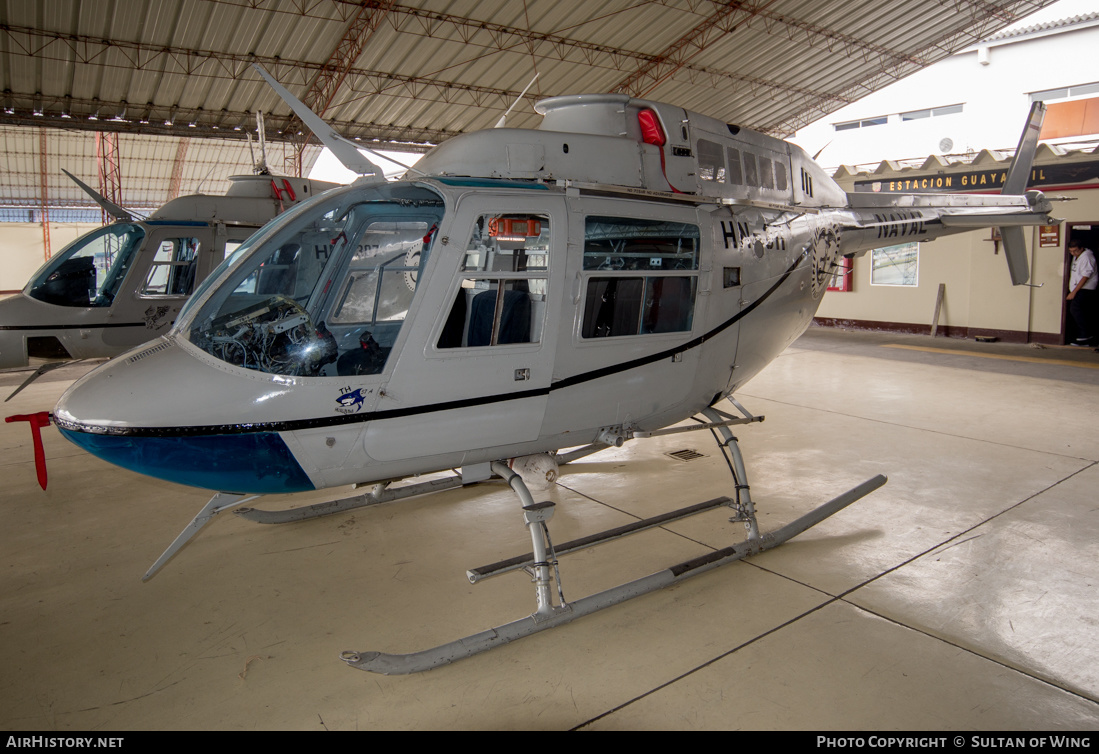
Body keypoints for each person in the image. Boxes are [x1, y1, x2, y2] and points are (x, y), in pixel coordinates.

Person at [1067, 238, 1097, 346]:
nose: (1073, 253)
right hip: (1078, 288)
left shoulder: (1087, 257)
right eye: (1071, 251)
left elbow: (1085, 276)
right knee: (1080, 311)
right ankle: (1083, 336)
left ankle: (1085, 336)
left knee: (1075, 309)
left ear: (1081, 248)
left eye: (1075, 251)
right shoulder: (1077, 257)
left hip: (1085, 289)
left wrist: (1074, 292)